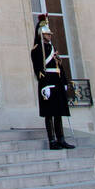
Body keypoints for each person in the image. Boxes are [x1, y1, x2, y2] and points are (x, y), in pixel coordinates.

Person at [30, 13, 74, 150]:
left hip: (57, 80)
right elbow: (39, 69)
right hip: (48, 82)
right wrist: (45, 85)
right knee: (49, 113)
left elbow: (59, 66)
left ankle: (61, 138)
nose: (50, 36)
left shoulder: (52, 48)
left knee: (59, 112)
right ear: (41, 34)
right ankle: (52, 139)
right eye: (47, 34)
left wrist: (64, 81)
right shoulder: (37, 49)